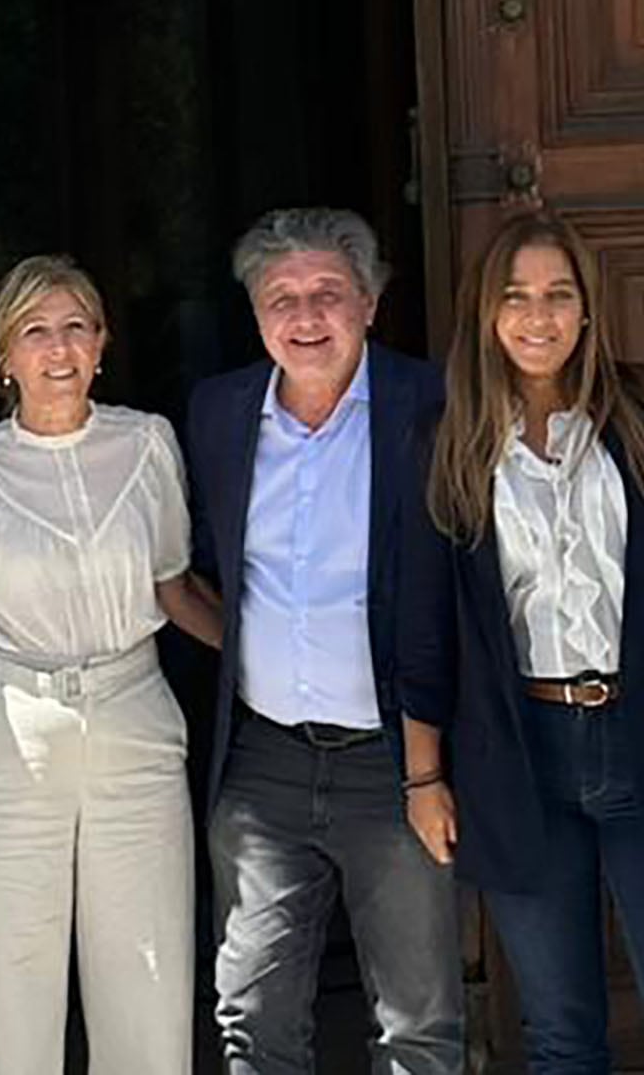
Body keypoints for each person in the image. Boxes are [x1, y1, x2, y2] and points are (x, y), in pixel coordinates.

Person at [396, 210, 644, 1073]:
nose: (538, 318)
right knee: (562, 1039)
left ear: (588, 309)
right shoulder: (447, 439)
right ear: (486, 313)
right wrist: (424, 778)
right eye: (516, 297)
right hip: (519, 758)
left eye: (558, 296)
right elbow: (424, 630)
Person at [0, 255, 221, 1074]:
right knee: (7, 985)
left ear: (102, 343)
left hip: (133, 716)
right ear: (3, 357)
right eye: (34, 331)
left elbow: (174, 588)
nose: (58, 349)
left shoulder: (147, 444)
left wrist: (271, 654)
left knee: (148, 981)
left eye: (76, 327)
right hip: (8, 729)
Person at [186, 207, 465, 1073]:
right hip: (262, 764)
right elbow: (196, 566)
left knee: (417, 1022)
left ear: (370, 304)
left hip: (395, 765)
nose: (305, 317)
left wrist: (431, 767)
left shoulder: (431, 405)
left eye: (328, 294)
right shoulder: (220, 411)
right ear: (256, 315)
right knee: (252, 1014)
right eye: (282, 298)